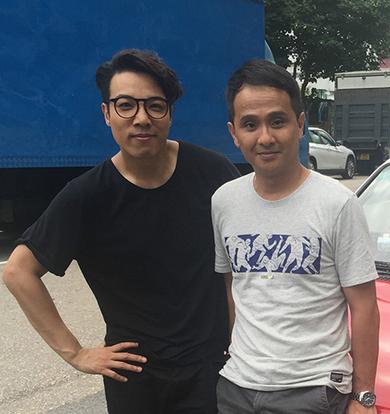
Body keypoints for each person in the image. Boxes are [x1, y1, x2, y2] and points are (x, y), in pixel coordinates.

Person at [2, 49, 240, 413]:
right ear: (107, 114)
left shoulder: (213, 172)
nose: (141, 118)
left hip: (213, 372)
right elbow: (18, 271)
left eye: (155, 106)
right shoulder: (88, 196)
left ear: (170, 114)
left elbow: (244, 265)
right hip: (135, 380)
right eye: (126, 105)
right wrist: (76, 353)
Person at [212, 59, 380, 414]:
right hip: (236, 388)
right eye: (250, 124)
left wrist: (363, 396)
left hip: (312, 391)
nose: (265, 138)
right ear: (234, 133)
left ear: (300, 124)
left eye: (278, 121)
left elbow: (364, 305)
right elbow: (232, 287)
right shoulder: (224, 201)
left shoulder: (337, 203)